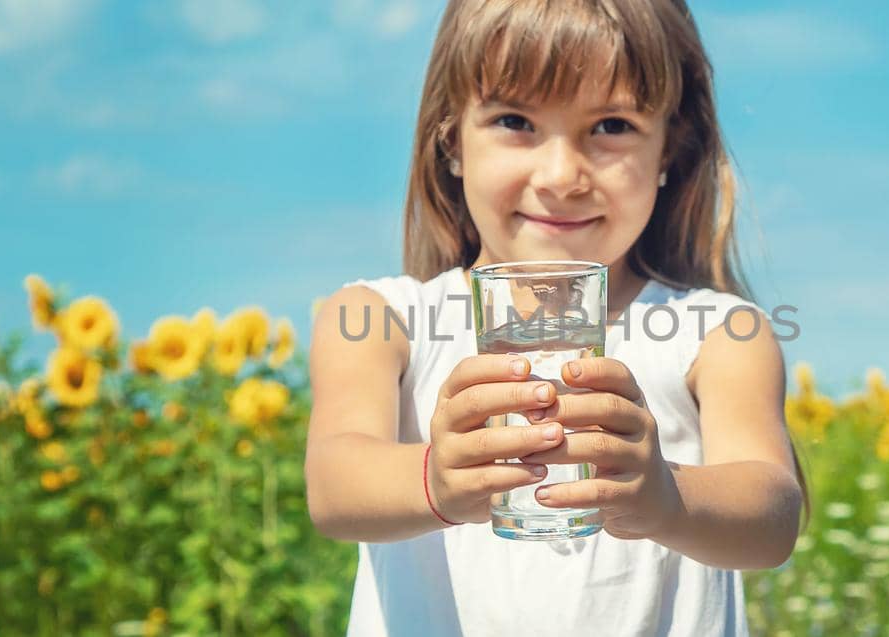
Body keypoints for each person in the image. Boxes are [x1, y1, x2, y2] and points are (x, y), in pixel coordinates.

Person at [306, 1, 806, 634]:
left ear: (670, 152)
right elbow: (333, 488)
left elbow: (771, 518)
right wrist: (435, 478)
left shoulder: (720, 333)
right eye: (516, 121)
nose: (562, 175)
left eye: (612, 126)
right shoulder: (380, 317)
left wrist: (665, 496)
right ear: (450, 138)